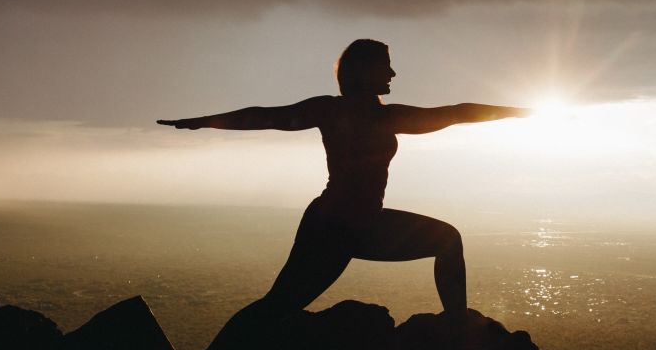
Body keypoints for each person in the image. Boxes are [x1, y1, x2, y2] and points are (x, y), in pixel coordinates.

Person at [158, 38, 528, 320]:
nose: (393, 75)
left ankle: (454, 326)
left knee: (281, 302)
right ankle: (456, 327)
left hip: (348, 222)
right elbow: (265, 116)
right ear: (365, 71)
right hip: (337, 227)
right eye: (386, 66)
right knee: (281, 304)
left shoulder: (374, 115)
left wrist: (513, 111)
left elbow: (455, 114)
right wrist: (204, 121)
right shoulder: (349, 113)